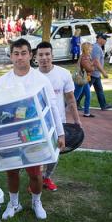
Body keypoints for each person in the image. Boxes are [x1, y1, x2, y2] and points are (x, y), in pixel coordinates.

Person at [0, 39, 65, 220]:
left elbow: (53, 107)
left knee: (35, 173)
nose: (20, 57)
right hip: (9, 135)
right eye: (16, 53)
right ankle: (14, 203)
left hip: (35, 135)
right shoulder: (3, 82)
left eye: (24, 53)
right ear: (11, 56)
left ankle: (36, 201)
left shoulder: (41, 80)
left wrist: (60, 132)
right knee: (12, 171)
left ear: (30, 55)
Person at [36, 41, 81, 192]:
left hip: (58, 122)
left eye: (47, 54)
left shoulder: (64, 74)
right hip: (38, 123)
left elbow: (70, 99)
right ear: (35, 57)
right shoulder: (32, 76)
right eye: (40, 55)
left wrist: (77, 121)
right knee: (39, 153)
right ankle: (36, 181)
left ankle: (47, 177)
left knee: (55, 154)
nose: (44, 58)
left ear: (52, 55)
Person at [79, 33, 112, 111]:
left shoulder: (97, 47)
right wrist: (104, 72)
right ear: (99, 38)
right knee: (85, 90)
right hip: (93, 73)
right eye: (104, 39)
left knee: (99, 90)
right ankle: (76, 102)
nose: (105, 40)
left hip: (96, 74)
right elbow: (96, 61)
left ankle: (103, 105)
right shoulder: (97, 48)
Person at [75, 42, 96, 118]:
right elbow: (89, 68)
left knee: (88, 95)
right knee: (74, 97)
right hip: (81, 79)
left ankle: (86, 113)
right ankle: (63, 108)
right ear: (87, 48)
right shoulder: (84, 57)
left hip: (85, 79)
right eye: (90, 47)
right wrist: (94, 66)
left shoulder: (87, 56)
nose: (92, 49)